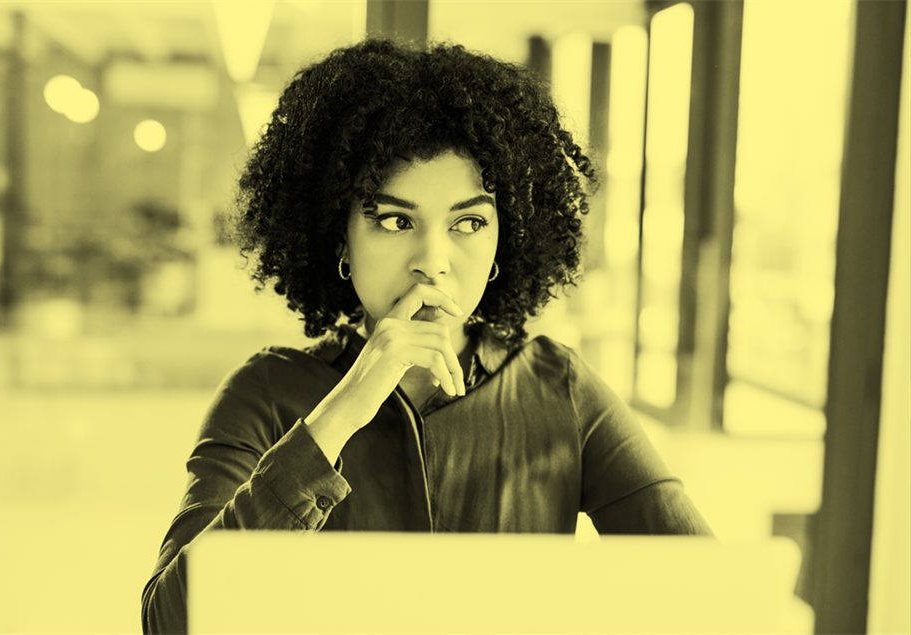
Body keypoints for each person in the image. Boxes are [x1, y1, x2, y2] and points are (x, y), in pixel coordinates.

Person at [141, 38, 712, 633]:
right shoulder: (264, 392)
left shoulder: (560, 389)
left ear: (503, 245)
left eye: (468, 222)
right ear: (340, 239)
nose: (433, 261)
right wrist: (340, 414)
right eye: (395, 220)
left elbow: (706, 592)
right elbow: (172, 620)